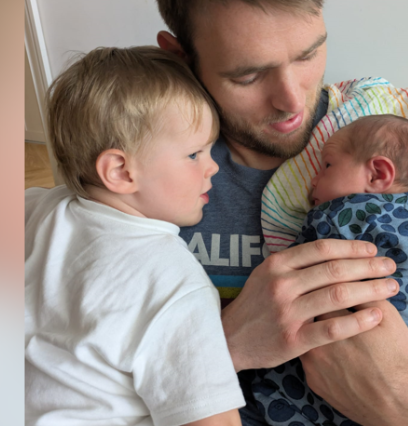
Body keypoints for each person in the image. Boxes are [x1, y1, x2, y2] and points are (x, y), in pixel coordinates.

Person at [150, 0, 408, 425]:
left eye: (309, 53)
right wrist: (225, 345)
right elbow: (79, 378)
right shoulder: (145, 175)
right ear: (181, 57)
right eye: (248, 74)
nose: (291, 101)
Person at [24, 47, 245, 426]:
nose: (213, 167)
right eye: (194, 154)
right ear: (121, 171)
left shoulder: (39, 209)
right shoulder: (176, 285)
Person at [252, 115, 408, 424]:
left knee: (269, 390)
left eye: (327, 166)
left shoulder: (341, 217)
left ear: (378, 174)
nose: (313, 180)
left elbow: (289, 286)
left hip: (343, 388)